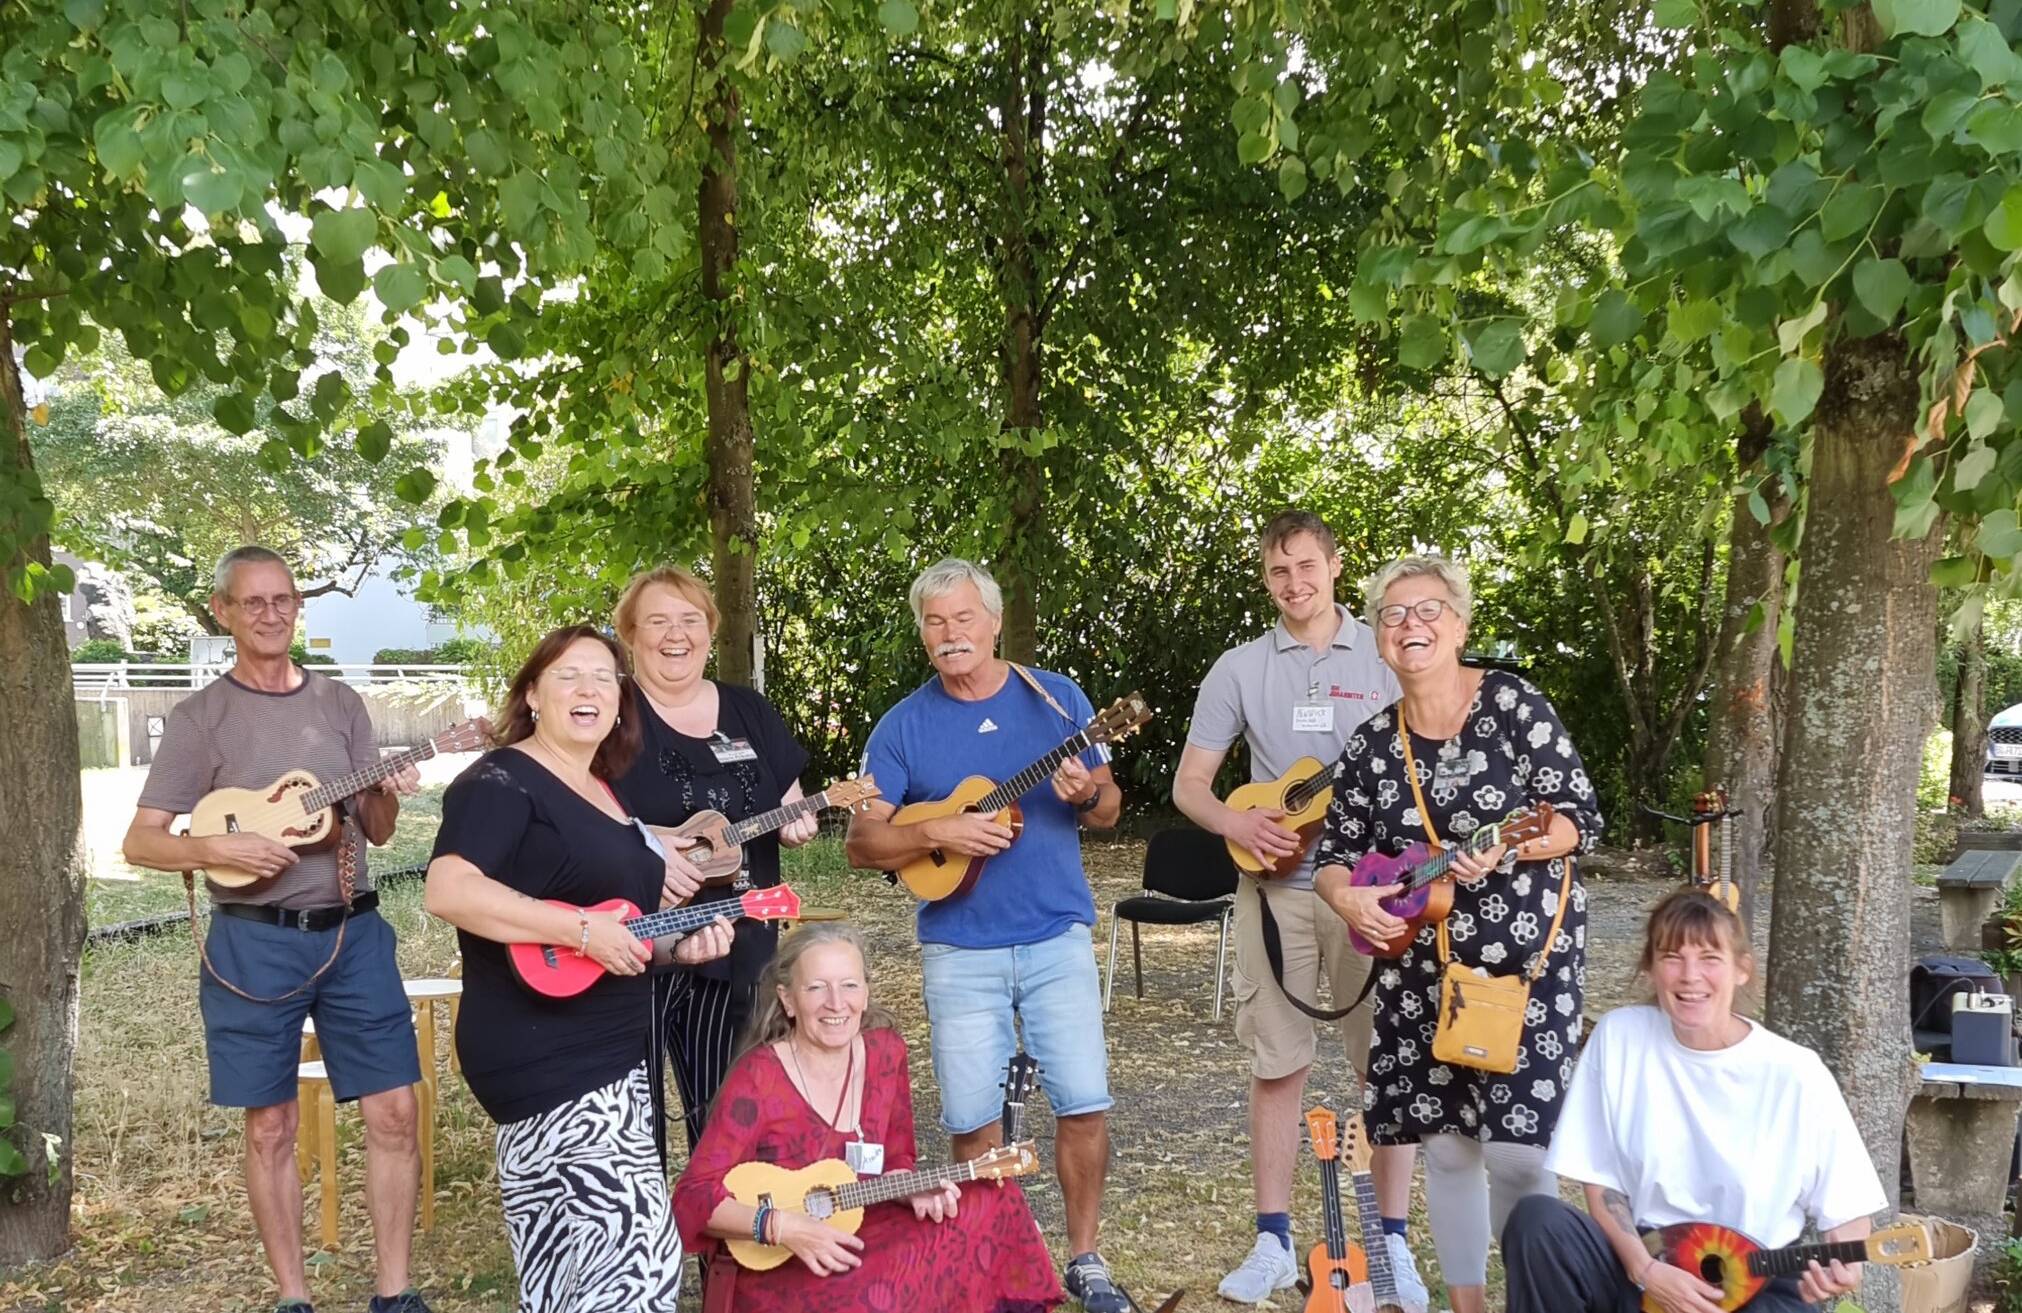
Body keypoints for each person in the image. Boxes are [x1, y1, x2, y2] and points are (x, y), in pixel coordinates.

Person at [122, 545, 430, 1313]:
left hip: (353, 934)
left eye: (283, 600)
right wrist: (213, 846)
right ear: (223, 611)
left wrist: (388, 787)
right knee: (272, 1125)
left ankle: (394, 1291)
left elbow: (379, 829)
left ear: (298, 608)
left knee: (394, 1108)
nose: (270, 614)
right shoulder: (200, 719)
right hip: (251, 939)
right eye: (252, 602)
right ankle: (294, 1297)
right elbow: (141, 840)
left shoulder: (341, 705)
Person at [1314, 554, 1600, 1313]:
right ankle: (1469, 1306)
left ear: (1461, 623)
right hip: (1421, 970)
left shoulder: (1513, 704)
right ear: (1377, 637)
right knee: (1445, 1145)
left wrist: (1514, 844)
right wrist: (1352, 904)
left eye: (1429, 609)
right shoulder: (1374, 744)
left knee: (1517, 1149)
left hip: (1522, 969)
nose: (1412, 625)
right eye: (1393, 614)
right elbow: (1334, 858)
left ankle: (1530, 1301)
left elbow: (1575, 817)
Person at [844, 557, 1128, 1313]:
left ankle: (1085, 1259)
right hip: (957, 945)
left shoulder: (1057, 697)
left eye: (963, 618)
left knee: (1085, 1100)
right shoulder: (902, 724)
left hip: (1054, 933)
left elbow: (1108, 809)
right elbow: (862, 842)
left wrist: (1089, 789)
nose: (949, 634)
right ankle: (993, 1262)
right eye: (934, 622)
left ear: (995, 621)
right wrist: (939, 826)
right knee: (970, 1116)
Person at [422, 625, 733, 1313]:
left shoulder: (602, 789)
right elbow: (448, 888)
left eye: (604, 676)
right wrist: (581, 929)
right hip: (548, 1050)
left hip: (607, 1044)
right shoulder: (500, 780)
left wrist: (678, 948)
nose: (589, 688)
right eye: (568, 674)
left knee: (564, 1273)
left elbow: (620, 930)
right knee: (642, 1264)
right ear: (532, 693)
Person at [1172, 510, 1428, 1306]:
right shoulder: (1240, 668)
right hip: (1273, 885)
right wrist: (1235, 821)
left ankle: (1390, 1245)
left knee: (1378, 1065)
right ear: (1265, 576)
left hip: (1367, 889)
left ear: (1336, 565)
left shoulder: (1387, 655)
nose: (1295, 582)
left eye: (1307, 566)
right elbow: (1191, 785)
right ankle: (1274, 1241)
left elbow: (1426, 764)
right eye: (1279, 571)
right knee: (1277, 1065)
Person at [1502, 890, 1885, 1313]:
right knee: (1537, 1222)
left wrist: (1843, 1267)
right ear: (1651, 967)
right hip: (1647, 1259)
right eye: (1672, 956)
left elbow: (1846, 1205)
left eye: (1709, 958)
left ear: (1741, 970)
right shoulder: (1620, 1038)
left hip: (1755, 1278)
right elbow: (1601, 1182)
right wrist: (1645, 1270)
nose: (1690, 975)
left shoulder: (1795, 1072)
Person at [672, 922, 1064, 1311]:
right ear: (787, 1000)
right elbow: (692, 1198)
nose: (836, 1003)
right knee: (879, 1295)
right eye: (816, 987)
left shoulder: (885, 1054)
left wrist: (909, 1186)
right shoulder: (758, 1078)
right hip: (786, 1259)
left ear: (865, 992)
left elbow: (895, 1159)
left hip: (864, 1226)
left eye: (849, 985)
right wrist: (783, 1226)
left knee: (993, 1199)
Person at [610, 565, 817, 1150]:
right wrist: (647, 841)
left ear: (709, 629)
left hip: (739, 941)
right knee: (632, 1123)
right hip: (634, 942)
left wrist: (798, 820)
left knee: (726, 1115)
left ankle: (723, 1236)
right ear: (630, 634)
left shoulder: (749, 711)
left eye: (690, 620)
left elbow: (788, 799)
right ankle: (642, 1238)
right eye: (657, 621)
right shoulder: (610, 713)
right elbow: (575, 814)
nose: (675, 635)